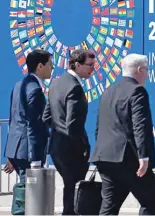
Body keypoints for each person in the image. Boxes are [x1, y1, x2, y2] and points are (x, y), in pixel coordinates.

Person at [89, 53, 155, 215]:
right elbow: (140, 126)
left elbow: (99, 126)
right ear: (140, 70)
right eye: (147, 70)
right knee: (150, 200)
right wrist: (144, 156)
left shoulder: (109, 91)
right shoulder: (137, 91)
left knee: (109, 205)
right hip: (128, 158)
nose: (147, 74)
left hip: (105, 156)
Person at [42, 49, 95, 215]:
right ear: (77, 65)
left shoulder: (56, 83)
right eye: (90, 65)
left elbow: (46, 117)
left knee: (70, 188)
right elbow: (72, 124)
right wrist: (83, 147)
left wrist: (58, 130)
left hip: (57, 148)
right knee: (74, 191)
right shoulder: (74, 87)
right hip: (71, 150)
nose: (93, 69)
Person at [4, 49, 53, 183]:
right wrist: (36, 159)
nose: (52, 67)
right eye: (50, 64)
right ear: (40, 66)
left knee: (24, 192)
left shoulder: (18, 86)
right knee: (30, 196)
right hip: (29, 153)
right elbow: (34, 126)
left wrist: (11, 154)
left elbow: (14, 120)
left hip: (18, 150)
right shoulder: (35, 90)